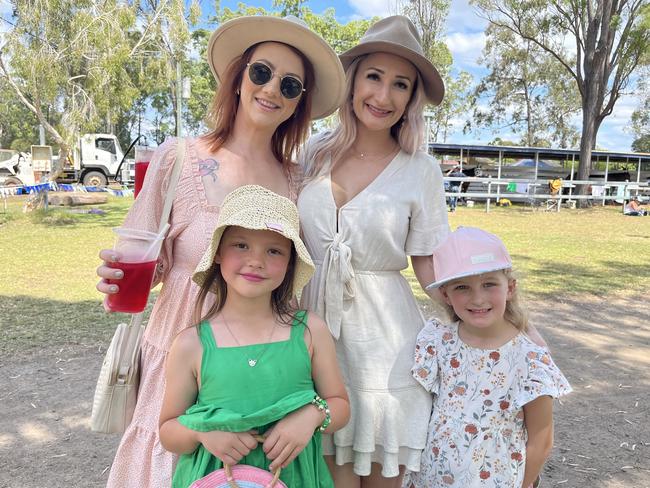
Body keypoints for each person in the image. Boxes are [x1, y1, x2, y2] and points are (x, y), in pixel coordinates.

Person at [95, 15, 346, 486]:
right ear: (238, 77)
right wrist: (120, 276)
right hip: (182, 350)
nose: (272, 89)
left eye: (290, 85)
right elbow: (147, 255)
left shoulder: (298, 180)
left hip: (261, 366)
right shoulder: (179, 157)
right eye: (261, 72)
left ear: (299, 104)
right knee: (174, 463)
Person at [297, 15, 450, 487]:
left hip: (389, 346)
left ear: (411, 98)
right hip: (312, 335)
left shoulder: (421, 170)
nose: (383, 96)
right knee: (325, 476)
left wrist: (490, 322)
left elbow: (429, 259)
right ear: (353, 80)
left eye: (400, 84)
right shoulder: (311, 153)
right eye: (374, 77)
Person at [159, 185, 350, 487]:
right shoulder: (190, 344)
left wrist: (313, 416)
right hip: (215, 479)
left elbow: (339, 405)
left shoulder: (310, 331)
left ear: (289, 264)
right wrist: (201, 432)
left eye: (273, 250)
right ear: (219, 252)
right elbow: (168, 431)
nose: (256, 261)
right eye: (241, 245)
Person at [406, 226, 572, 488]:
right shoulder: (438, 342)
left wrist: (526, 483)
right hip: (431, 479)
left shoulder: (528, 359)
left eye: (489, 284)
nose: (478, 298)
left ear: (510, 288)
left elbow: (542, 440)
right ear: (446, 294)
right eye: (462, 287)